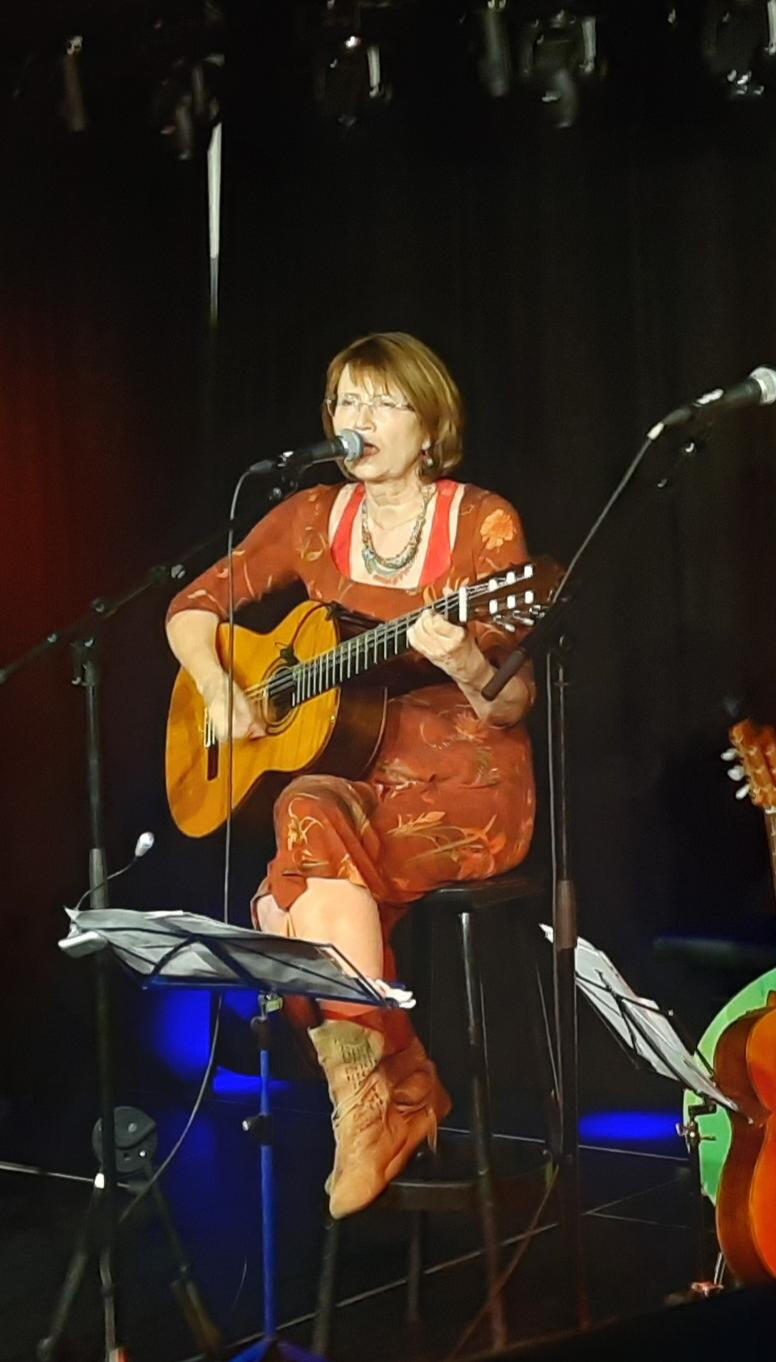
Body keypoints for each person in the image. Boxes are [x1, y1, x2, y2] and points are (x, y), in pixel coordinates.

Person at [165, 332, 538, 1217]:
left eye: (381, 403)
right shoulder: (309, 517)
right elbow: (191, 607)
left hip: (461, 782)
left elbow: (512, 701)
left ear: (430, 424)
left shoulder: (481, 524)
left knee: (284, 907)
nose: (357, 420)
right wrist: (219, 687)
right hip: (352, 783)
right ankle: (379, 1093)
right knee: (305, 809)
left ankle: (392, 1092)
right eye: (345, 402)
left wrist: (462, 659)